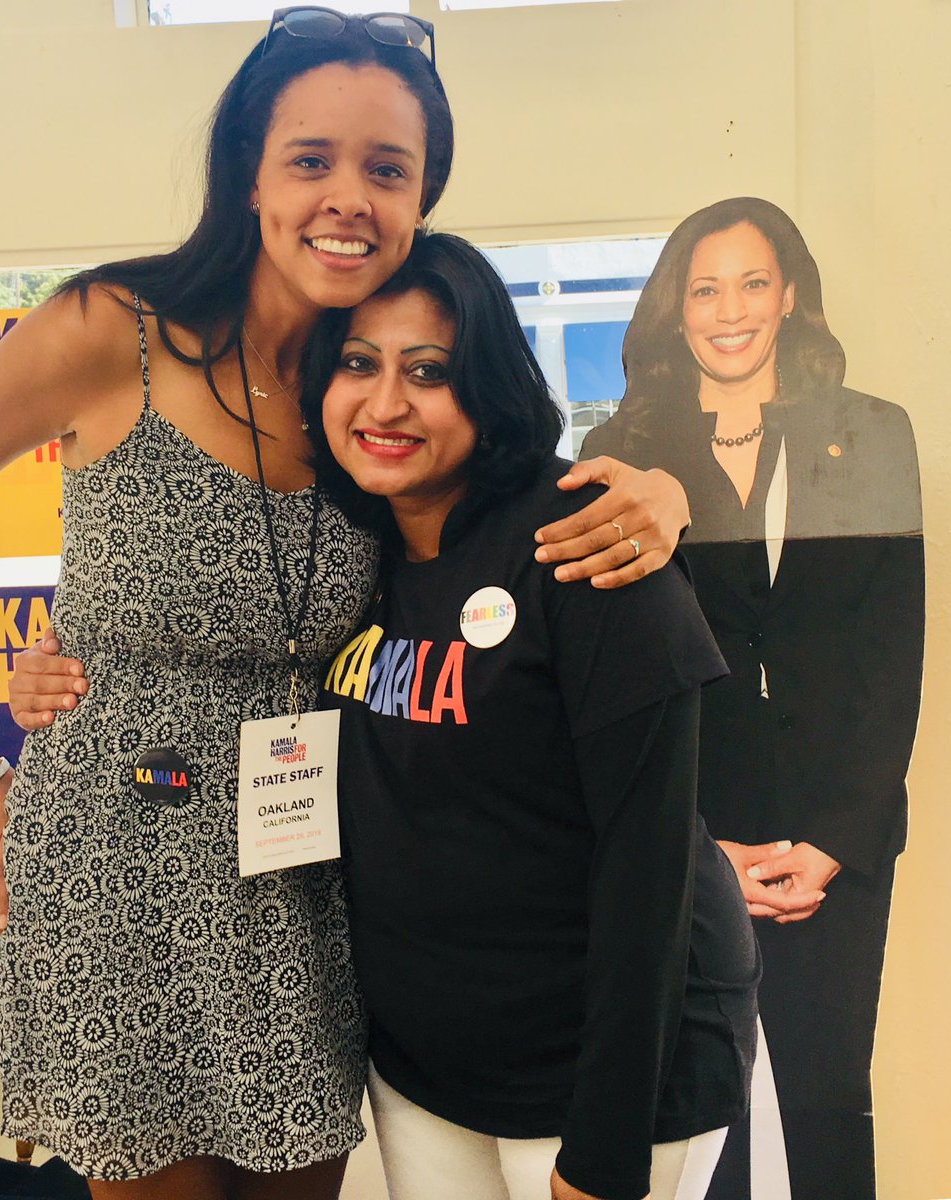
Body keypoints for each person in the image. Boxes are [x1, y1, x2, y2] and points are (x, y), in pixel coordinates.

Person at [0, 10, 690, 1198]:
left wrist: (663, 495)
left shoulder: (369, 387)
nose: (346, 196)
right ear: (249, 172)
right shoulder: (114, 329)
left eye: (386, 169)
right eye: (310, 159)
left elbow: (504, 514)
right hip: (117, 863)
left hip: (304, 875)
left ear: (422, 199)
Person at [306, 231, 759, 1200]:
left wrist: (602, 1152)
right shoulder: (345, 551)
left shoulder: (584, 543)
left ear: (489, 384)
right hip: (429, 1078)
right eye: (357, 363)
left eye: (428, 371)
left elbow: (651, 870)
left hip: (610, 1084)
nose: (385, 403)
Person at [579, 197, 924, 1200]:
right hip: (689, 830)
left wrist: (833, 837)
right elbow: (620, 676)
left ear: (789, 299)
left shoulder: (870, 435)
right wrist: (695, 846)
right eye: (705, 287)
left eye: (753, 282)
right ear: (673, 310)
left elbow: (889, 652)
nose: (729, 310)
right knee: (699, 1108)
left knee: (822, 1095)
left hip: (834, 837)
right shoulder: (624, 450)